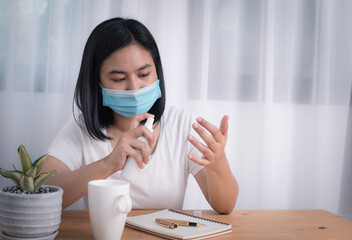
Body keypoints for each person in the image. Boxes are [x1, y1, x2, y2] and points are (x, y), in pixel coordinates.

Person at [41, 17, 239, 214]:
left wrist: (218, 162)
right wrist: (107, 164)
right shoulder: (81, 130)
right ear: (97, 82)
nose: (134, 88)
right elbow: (42, 195)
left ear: (157, 73)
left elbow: (225, 206)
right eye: (119, 78)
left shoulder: (182, 125)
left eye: (143, 75)